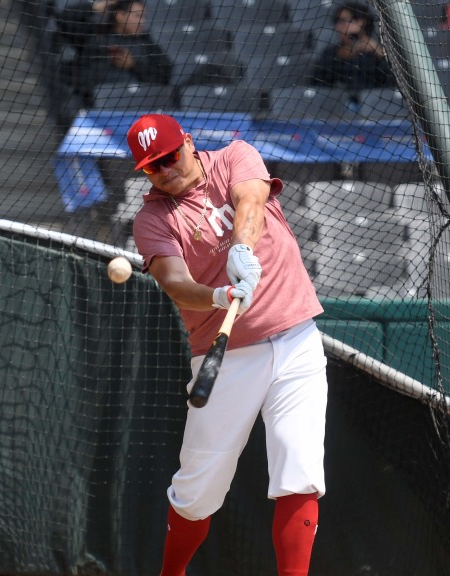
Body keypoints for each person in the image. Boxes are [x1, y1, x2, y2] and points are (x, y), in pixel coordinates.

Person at [126, 113, 328, 576]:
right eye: (153, 166)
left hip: (297, 337)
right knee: (198, 492)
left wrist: (241, 248)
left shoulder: (235, 155)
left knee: (299, 471)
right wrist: (217, 295)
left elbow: (251, 199)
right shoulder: (153, 219)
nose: (166, 170)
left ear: (188, 143)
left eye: (170, 157)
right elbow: (175, 283)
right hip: (226, 358)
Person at [80, 0, 172, 92]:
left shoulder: (146, 41)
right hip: (107, 97)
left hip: (145, 96)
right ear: (120, 15)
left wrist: (133, 65)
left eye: (144, 17)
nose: (142, 22)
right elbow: (86, 80)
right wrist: (95, 7)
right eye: (137, 16)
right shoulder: (98, 40)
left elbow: (165, 76)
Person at [309, 1, 394, 90]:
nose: (339, 27)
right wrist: (340, 57)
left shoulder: (378, 50)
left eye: (345, 21)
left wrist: (379, 53)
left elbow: (392, 83)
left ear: (361, 21)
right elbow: (317, 83)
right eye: (337, 22)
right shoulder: (331, 52)